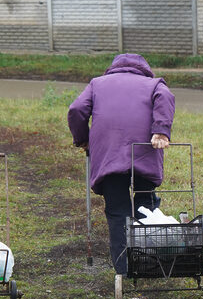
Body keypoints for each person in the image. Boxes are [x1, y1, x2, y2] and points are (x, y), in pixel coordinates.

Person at [67, 53, 176, 275]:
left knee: (118, 211)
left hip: (109, 155)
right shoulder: (154, 83)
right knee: (145, 204)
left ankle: (124, 270)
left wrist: (83, 139)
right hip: (145, 151)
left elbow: (76, 110)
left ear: (113, 68)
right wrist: (161, 131)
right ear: (144, 68)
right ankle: (150, 261)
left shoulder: (97, 84)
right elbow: (166, 96)